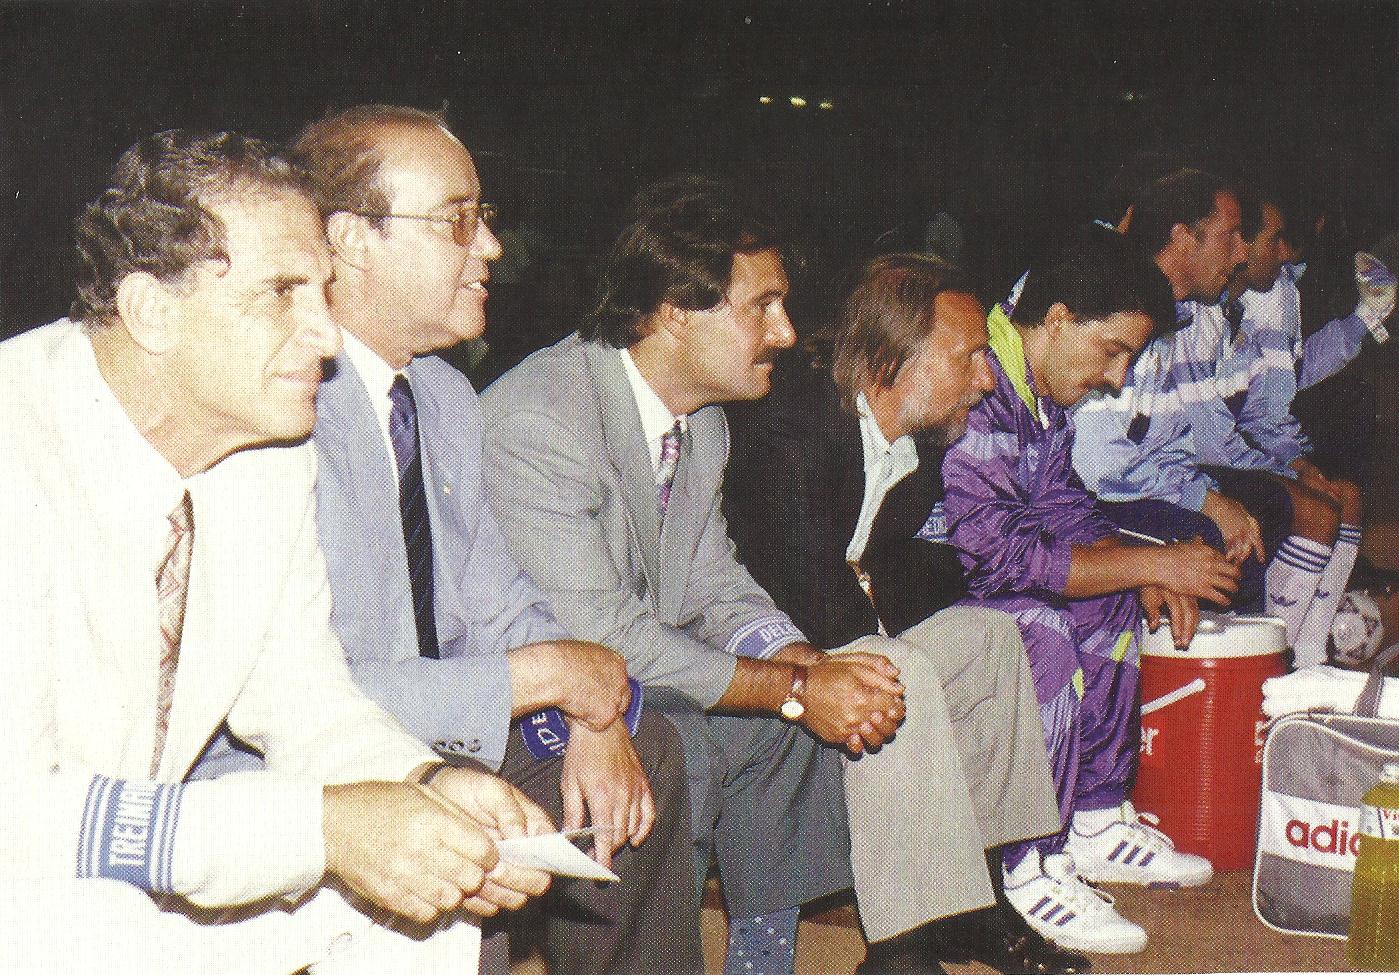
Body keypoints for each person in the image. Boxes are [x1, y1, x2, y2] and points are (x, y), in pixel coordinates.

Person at [480, 176, 1069, 975]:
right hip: (537, 704)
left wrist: (799, 657)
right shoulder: (544, 418)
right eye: (761, 306)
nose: (787, 332)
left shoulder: (700, 423)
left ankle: (767, 958)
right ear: (674, 310)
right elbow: (601, 636)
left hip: (634, 671)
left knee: (799, 711)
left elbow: (715, 581)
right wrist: (792, 687)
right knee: (729, 726)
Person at [0, 129, 551, 973]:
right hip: (27, 866)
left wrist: (422, 785)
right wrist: (325, 827)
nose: (326, 338)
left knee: (419, 892)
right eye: (281, 293)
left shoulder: (265, 449)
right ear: (152, 311)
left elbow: (301, 693)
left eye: (323, 292)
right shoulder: (16, 447)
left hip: (116, 863)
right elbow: (18, 815)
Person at [190, 106, 704, 975]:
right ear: (350, 240)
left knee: (646, 752)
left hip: (434, 727)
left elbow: (502, 600)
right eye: (457, 219)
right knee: (470, 836)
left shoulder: (440, 396)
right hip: (290, 764)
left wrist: (591, 703)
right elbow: (293, 694)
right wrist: (544, 677)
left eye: (485, 217)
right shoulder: (275, 407)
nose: (491, 246)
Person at [722, 252, 1090, 974]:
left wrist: (880, 597)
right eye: (969, 357)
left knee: (988, 637)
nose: (987, 379)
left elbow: (918, 578)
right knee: (894, 665)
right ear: (891, 361)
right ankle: (901, 948)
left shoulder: (916, 447)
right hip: (759, 649)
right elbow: (804, 593)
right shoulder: (793, 431)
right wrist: (875, 610)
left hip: (832, 624)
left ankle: (975, 903)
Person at [943, 230, 1238, 954]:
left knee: (1112, 596)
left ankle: (1093, 818)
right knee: (1038, 629)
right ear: (1057, 319)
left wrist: (1146, 566)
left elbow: (1063, 507)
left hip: (977, 575)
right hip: (917, 589)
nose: (1116, 376)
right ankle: (1025, 861)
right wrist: (1148, 563)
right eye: (1111, 351)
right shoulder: (979, 386)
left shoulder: (1035, 394)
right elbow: (998, 556)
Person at [1071, 169, 1287, 614]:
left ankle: (1254, 649)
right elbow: (1097, 463)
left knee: (1256, 514)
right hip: (1077, 496)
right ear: (1184, 237)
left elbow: (1170, 440)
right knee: (1210, 545)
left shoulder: (1172, 311)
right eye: (1231, 236)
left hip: (1121, 484)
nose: (1242, 252)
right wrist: (1203, 501)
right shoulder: (1113, 301)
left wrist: (1210, 497)